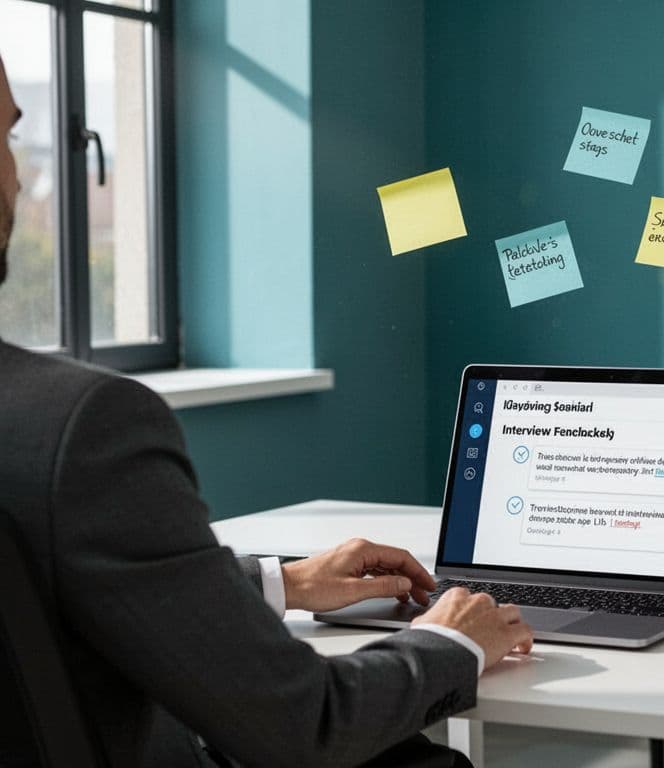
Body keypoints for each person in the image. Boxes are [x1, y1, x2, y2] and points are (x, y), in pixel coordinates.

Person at [0, 53, 532, 768]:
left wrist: (281, 582)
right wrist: (453, 641)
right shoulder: (84, 427)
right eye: (6, 138)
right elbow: (306, 727)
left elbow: (63, 592)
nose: (20, 173)